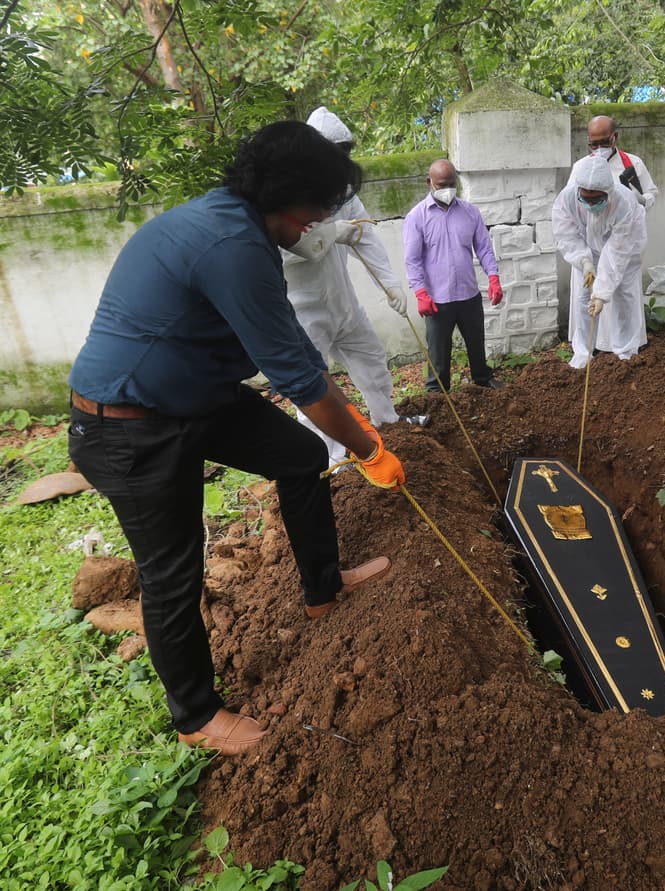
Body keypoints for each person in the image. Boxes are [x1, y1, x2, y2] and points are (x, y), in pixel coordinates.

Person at [67, 121, 407, 756]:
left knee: (302, 455)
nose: (315, 224)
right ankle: (196, 715)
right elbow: (302, 380)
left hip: (196, 399)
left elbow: (283, 349)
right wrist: (368, 449)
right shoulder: (230, 244)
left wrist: (350, 437)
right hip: (127, 425)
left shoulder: (238, 227)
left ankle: (322, 591)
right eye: (315, 209)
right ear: (288, 192)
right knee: (171, 574)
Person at [285, 106, 426, 469]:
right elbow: (285, 250)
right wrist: (332, 233)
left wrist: (392, 285)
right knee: (312, 387)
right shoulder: (285, 191)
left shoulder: (342, 190)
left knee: (371, 359)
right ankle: (332, 457)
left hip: (343, 302)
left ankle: (387, 420)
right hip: (304, 310)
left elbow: (365, 234)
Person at [402, 159, 505, 392]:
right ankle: (438, 392)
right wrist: (420, 292)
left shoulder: (470, 212)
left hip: (468, 293)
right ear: (429, 183)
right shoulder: (417, 217)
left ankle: (482, 378)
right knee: (438, 351)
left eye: (451, 183)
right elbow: (413, 259)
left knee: (476, 342)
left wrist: (493, 277)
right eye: (441, 184)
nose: (447, 189)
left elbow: (484, 248)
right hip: (437, 299)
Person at [551, 155, 648, 369]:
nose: (590, 204)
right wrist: (584, 260)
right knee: (584, 296)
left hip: (625, 251)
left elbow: (616, 252)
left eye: (596, 200)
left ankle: (625, 354)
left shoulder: (624, 203)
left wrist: (602, 295)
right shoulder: (567, 199)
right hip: (587, 250)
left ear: (607, 192)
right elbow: (565, 234)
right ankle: (583, 353)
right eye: (585, 198)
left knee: (624, 295)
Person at [585, 115, 658, 211]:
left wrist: (642, 200)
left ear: (615, 137)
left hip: (628, 223)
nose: (600, 148)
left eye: (605, 142)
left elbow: (651, 192)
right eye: (594, 144)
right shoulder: (581, 166)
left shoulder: (634, 163)